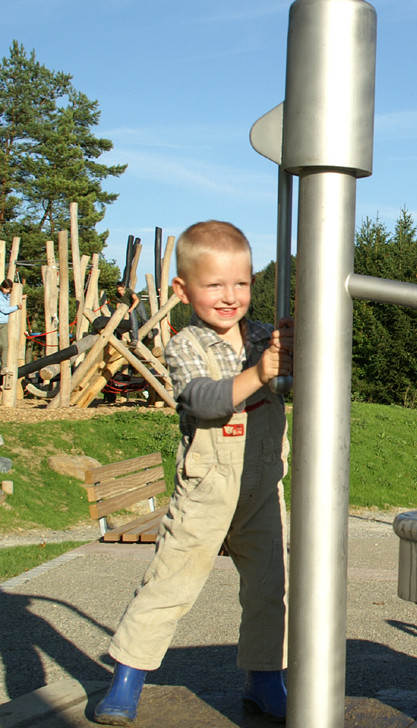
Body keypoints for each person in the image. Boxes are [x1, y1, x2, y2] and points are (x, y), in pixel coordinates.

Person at [95, 221, 294, 725]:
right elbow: (203, 401)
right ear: (183, 291)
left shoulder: (264, 338)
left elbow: (297, 383)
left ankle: (265, 679)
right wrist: (261, 372)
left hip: (262, 487)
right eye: (214, 285)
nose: (230, 297)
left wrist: (297, 349)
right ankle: (127, 677)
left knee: (270, 588)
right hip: (206, 487)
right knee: (171, 582)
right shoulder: (185, 344)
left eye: (241, 283)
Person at [0, 279, 20, 380]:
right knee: (2, 345)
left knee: (5, 345)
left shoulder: (7, 295)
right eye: (6, 289)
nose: (7, 291)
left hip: (3, 323)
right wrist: (16, 307)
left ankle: (3, 367)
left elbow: (11, 299)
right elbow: (4, 309)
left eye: (9, 289)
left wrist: (21, 297)